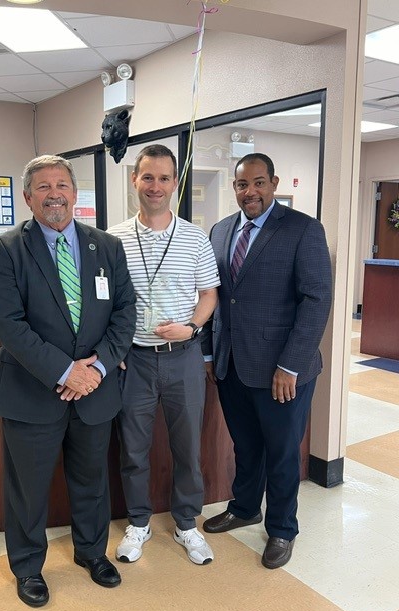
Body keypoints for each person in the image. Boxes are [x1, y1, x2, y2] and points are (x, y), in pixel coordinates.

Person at [0, 155, 136, 607]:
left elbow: (125, 313)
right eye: (44, 186)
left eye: (63, 185)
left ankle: (92, 553)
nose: (55, 194)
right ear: (28, 197)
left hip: (95, 391)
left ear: (75, 193)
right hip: (32, 393)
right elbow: (8, 323)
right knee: (27, 488)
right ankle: (28, 566)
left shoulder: (105, 246)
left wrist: (96, 369)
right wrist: (66, 370)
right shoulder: (8, 247)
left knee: (91, 479)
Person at [203, 153, 332, 569]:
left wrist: (290, 365)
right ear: (234, 187)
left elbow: (316, 302)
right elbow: (214, 296)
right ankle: (244, 508)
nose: (250, 192)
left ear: (273, 183)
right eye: (242, 185)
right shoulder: (221, 231)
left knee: (280, 452)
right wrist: (209, 351)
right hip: (232, 364)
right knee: (246, 445)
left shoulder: (303, 230)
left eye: (258, 183)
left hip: (282, 372)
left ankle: (281, 529)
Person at [107, 144, 220, 566]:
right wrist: (113, 346)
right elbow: (108, 301)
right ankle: (139, 523)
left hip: (183, 356)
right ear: (134, 180)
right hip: (133, 359)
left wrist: (191, 326)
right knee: (133, 448)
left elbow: (209, 293)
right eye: (148, 177)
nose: (156, 186)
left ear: (176, 183)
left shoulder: (194, 236)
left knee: (187, 446)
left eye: (164, 178)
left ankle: (187, 524)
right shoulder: (113, 238)